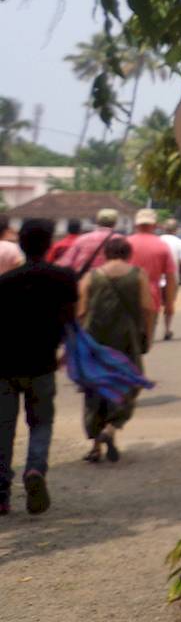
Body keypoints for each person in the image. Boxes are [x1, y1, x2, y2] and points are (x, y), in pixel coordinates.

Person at [0, 219, 78, 515]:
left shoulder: (5, 282)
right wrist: (66, 351)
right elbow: (71, 319)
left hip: (4, 366)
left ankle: (1, 494)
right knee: (41, 423)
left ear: (21, 243)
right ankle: (35, 469)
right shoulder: (64, 278)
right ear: (49, 245)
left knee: (3, 429)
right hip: (43, 363)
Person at [78, 234, 152, 464]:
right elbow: (148, 308)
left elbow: (81, 311)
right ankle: (111, 428)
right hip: (127, 340)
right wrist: (147, 335)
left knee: (95, 390)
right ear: (128, 254)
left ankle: (95, 447)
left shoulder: (91, 276)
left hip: (94, 340)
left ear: (106, 254)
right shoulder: (138, 275)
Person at [126, 209, 178, 348]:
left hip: (125, 297)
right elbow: (170, 278)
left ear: (136, 225)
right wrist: (169, 304)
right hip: (151, 299)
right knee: (145, 344)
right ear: (155, 225)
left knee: (124, 342)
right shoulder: (162, 246)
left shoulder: (126, 243)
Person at [157, 218, 181, 339]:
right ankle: (167, 330)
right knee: (169, 305)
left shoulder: (157, 241)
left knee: (154, 305)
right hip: (172, 280)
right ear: (177, 230)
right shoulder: (180, 243)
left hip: (156, 279)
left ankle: (149, 328)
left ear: (164, 228)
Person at [63, 206, 122, 272]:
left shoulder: (82, 239)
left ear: (97, 221)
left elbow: (66, 262)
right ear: (115, 223)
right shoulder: (121, 240)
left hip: (84, 276)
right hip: (110, 276)